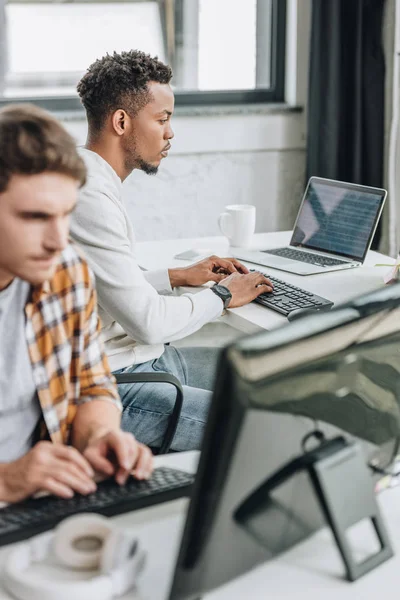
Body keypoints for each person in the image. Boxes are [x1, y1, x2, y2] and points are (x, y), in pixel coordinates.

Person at [71, 50, 272, 452]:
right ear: (122, 122)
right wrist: (223, 295)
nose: (170, 133)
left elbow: (98, 286)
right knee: (261, 432)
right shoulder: (89, 196)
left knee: (269, 377)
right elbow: (148, 322)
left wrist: (176, 277)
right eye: (162, 120)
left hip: (140, 360)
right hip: (115, 387)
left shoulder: (89, 175)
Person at [0, 104, 153, 504]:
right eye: (35, 217)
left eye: (65, 215)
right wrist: (6, 480)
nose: (57, 239)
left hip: (45, 499)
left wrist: (100, 436)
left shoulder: (67, 272)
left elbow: (92, 385)